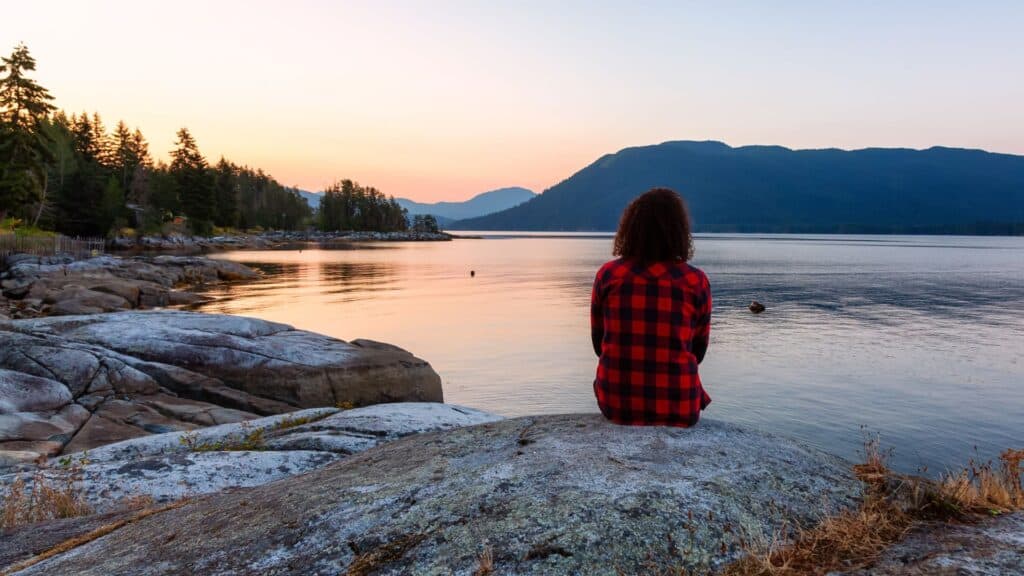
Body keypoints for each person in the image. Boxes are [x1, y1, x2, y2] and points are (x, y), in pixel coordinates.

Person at [590, 188, 712, 427]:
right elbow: (698, 352)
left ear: (630, 228)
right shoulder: (695, 281)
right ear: (679, 232)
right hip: (680, 406)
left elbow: (598, 345)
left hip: (617, 405)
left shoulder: (609, 275)